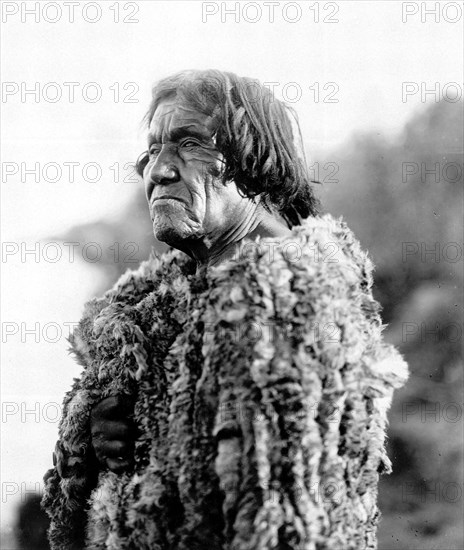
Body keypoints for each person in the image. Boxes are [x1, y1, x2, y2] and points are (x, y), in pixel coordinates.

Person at [42, 70, 408, 550]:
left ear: (252, 163)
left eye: (190, 144)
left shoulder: (293, 301)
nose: (158, 171)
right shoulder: (161, 298)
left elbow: (290, 520)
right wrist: (97, 436)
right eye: (152, 151)